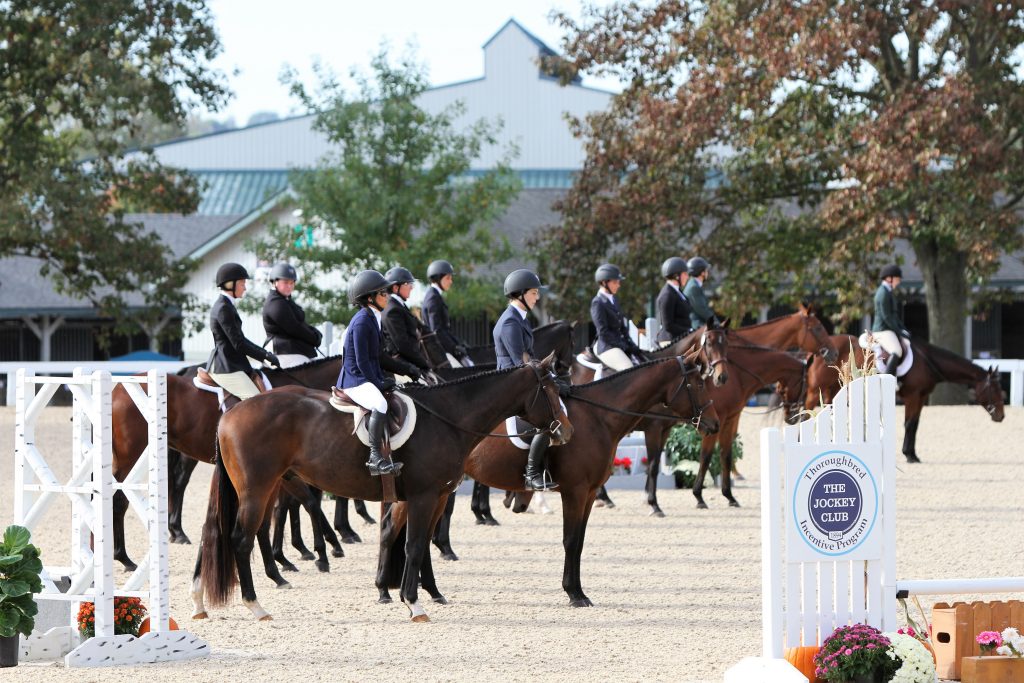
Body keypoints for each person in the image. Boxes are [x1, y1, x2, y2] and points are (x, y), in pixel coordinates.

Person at [494, 269, 568, 490]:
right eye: (534, 293)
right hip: (511, 383)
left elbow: (531, 359)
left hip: (522, 380)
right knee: (547, 419)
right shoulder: (509, 323)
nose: (537, 297)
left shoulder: (521, 320)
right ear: (520, 294)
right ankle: (531, 473)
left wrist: (552, 377)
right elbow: (520, 362)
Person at [337, 270, 403, 476]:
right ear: (369, 298)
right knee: (380, 403)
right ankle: (375, 458)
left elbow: (379, 356)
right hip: (355, 379)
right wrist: (377, 382)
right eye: (383, 293)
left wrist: (402, 371)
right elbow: (362, 361)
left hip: (365, 376)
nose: (388, 296)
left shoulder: (373, 317)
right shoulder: (362, 321)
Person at [207, 262, 279, 405]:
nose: (245, 287)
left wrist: (265, 354)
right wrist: (264, 356)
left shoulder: (227, 306)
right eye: (242, 283)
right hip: (226, 366)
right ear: (229, 284)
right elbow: (238, 343)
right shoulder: (223, 308)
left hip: (234, 363)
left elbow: (241, 340)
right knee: (256, 403)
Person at [262, 262, 322, 368]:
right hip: (280, 350)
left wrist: (313, 332)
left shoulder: (286, 300)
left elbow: (300, 323)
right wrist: (314, 337)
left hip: (290, 349)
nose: (289, 286)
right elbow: (294, 328)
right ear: (275, 282)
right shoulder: (275, 303)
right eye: (285, 283)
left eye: (292, 283)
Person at [590, 263, 645, 371]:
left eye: (618, 282)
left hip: (618, 343)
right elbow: (603, 332)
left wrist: (631, 344)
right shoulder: (598, 303)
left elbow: (622, 328)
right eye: (615, 282)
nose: (618, 285)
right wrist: (622, 345)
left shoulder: (613, 299)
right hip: (606, 346)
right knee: (628, 369)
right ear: (604, 283)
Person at [380, 266, 429, 380]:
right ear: (396, 287)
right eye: (408, 284)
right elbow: (402, 345)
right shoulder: (393, 310)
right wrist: (423, 363)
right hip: (400, 363)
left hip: (408, 360)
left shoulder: (400, 306)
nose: (411, 287)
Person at [421, 259, 471, 366]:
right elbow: (437, 330)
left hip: (444, 345)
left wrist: (458, 343)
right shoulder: (433, 298)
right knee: (469, 367)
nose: (451, 281)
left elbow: (444, 330)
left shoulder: (435, 295)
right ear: (438, 279)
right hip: (440, 350)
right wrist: (453, 348)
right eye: (448, 278)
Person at [872, 264, 910, 376]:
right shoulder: (883, 293)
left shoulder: (888, 292)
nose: (898, 282)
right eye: (897, 279)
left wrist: (903, 329)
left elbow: (894, 316)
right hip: (883, 330)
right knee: (896, 350)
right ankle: (888, 379)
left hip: (889, 328)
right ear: (889, 279)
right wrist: (898, 331)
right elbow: (887, 317)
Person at [655, 256, 693, 344]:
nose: (687, 277)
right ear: (676, 276)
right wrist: (689, 331)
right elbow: (668, 325)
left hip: (681, 338)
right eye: (685, 274)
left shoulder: (677, 292)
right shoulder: (667, 295)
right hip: (671, 341)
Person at [684, 256, 718, 331]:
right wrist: (717, 323)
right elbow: (703, 310)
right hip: (697, 325)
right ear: (702, 272)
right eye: (706, 270)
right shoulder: (693, 287)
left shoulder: (695, 285)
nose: (707, 273)